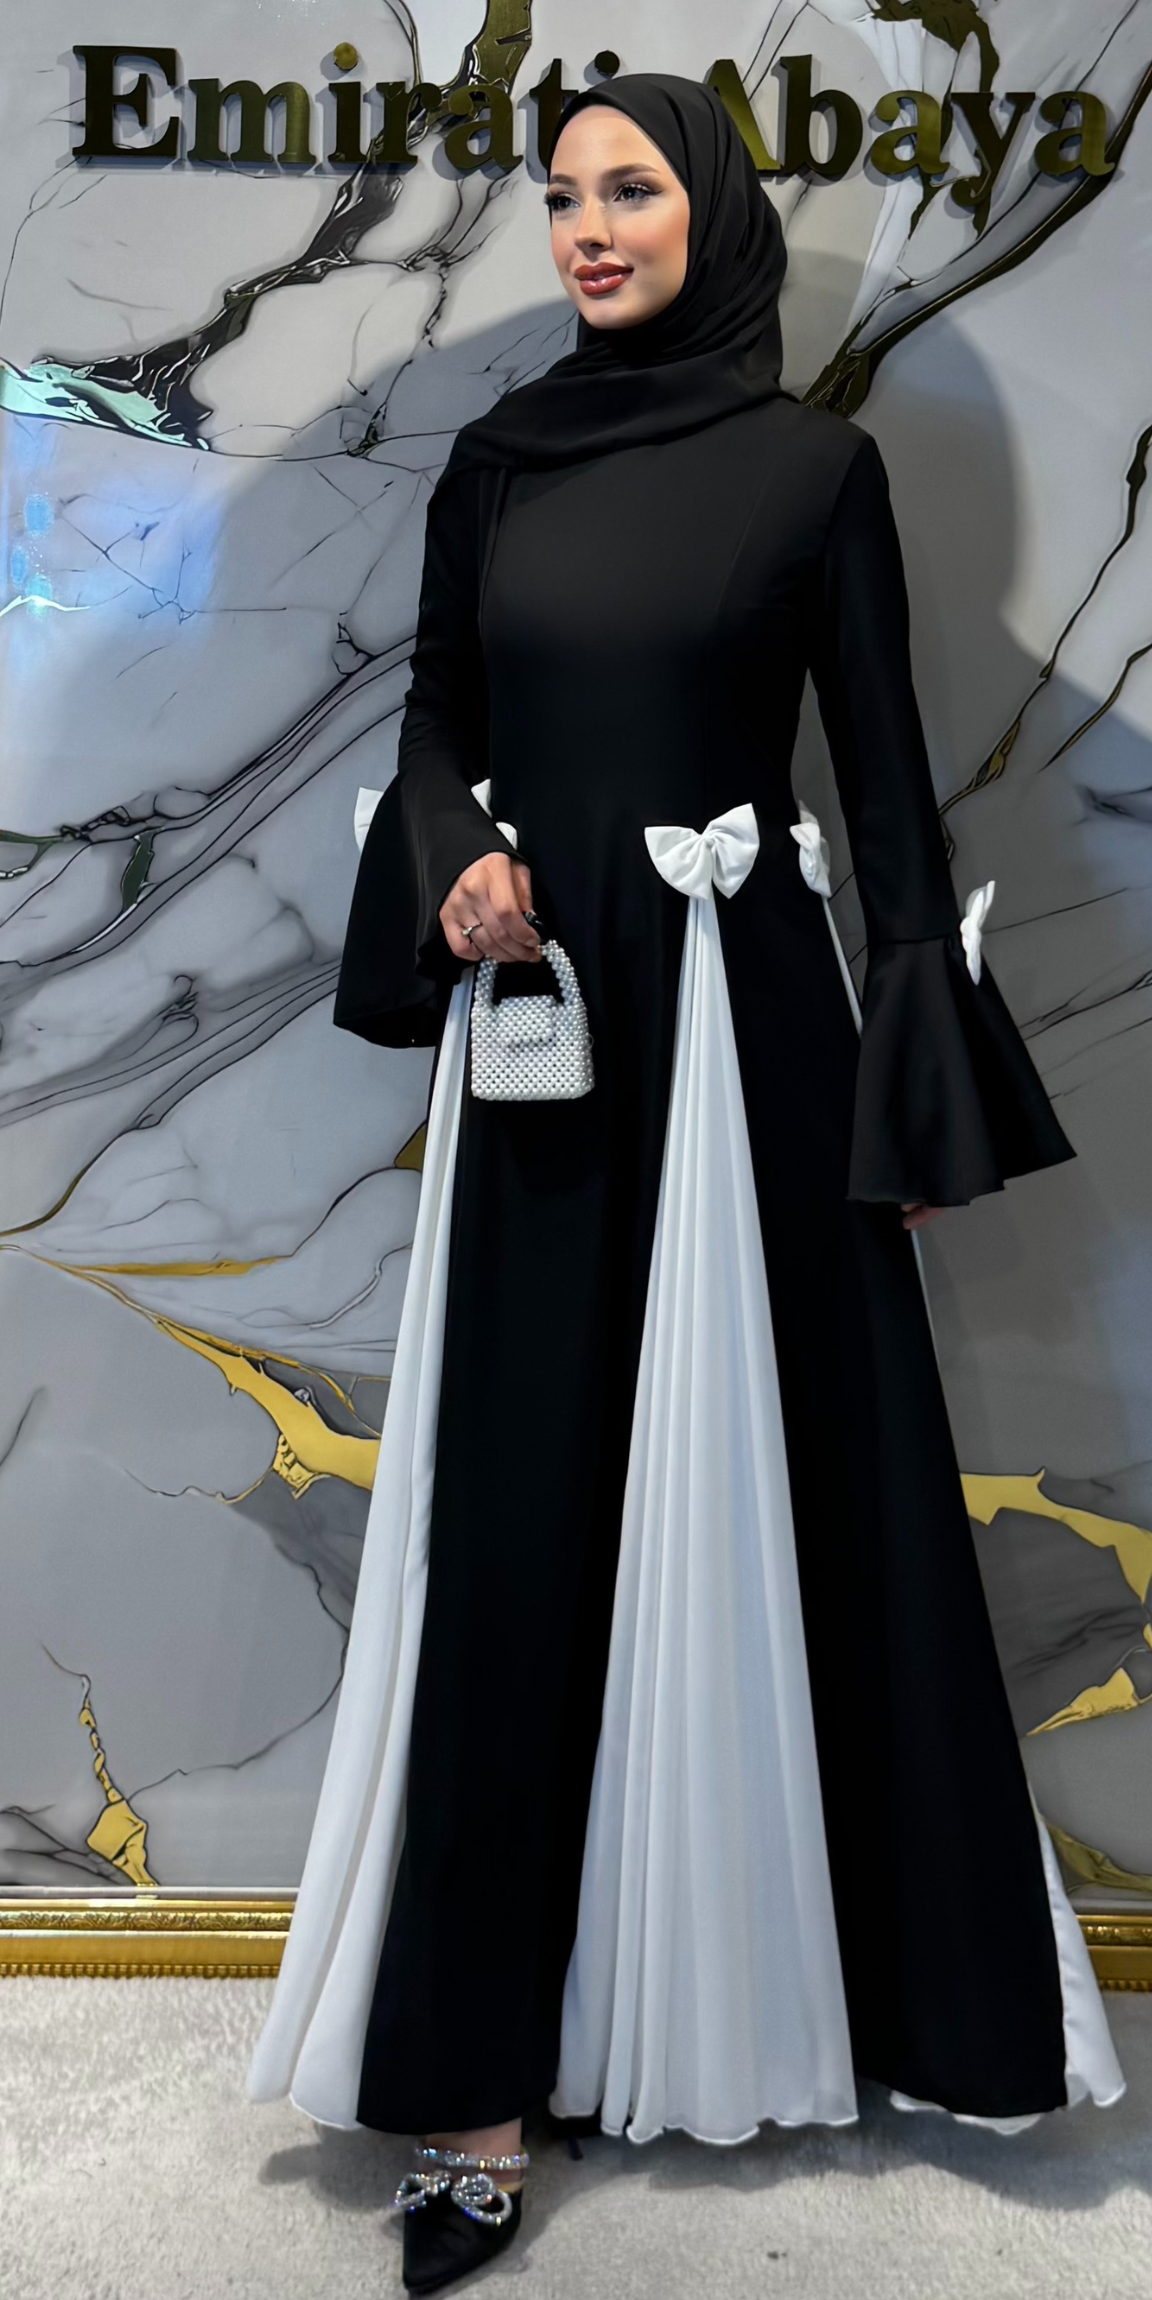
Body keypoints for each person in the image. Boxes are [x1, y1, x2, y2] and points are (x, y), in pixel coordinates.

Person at [250, 73, 1123, 2294]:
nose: (586, 224)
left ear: (709, 209)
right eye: (559, 194)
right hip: (551, 1029)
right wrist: (456, 860)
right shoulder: (498, 462)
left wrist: (914, 1091)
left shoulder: (812, 474)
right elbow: (437, 718)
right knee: (517, 1517)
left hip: (751, 1037)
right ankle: (470, 2079)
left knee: (815, 1496)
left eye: (628, 187)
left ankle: (871, 2011)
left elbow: (893, 795)